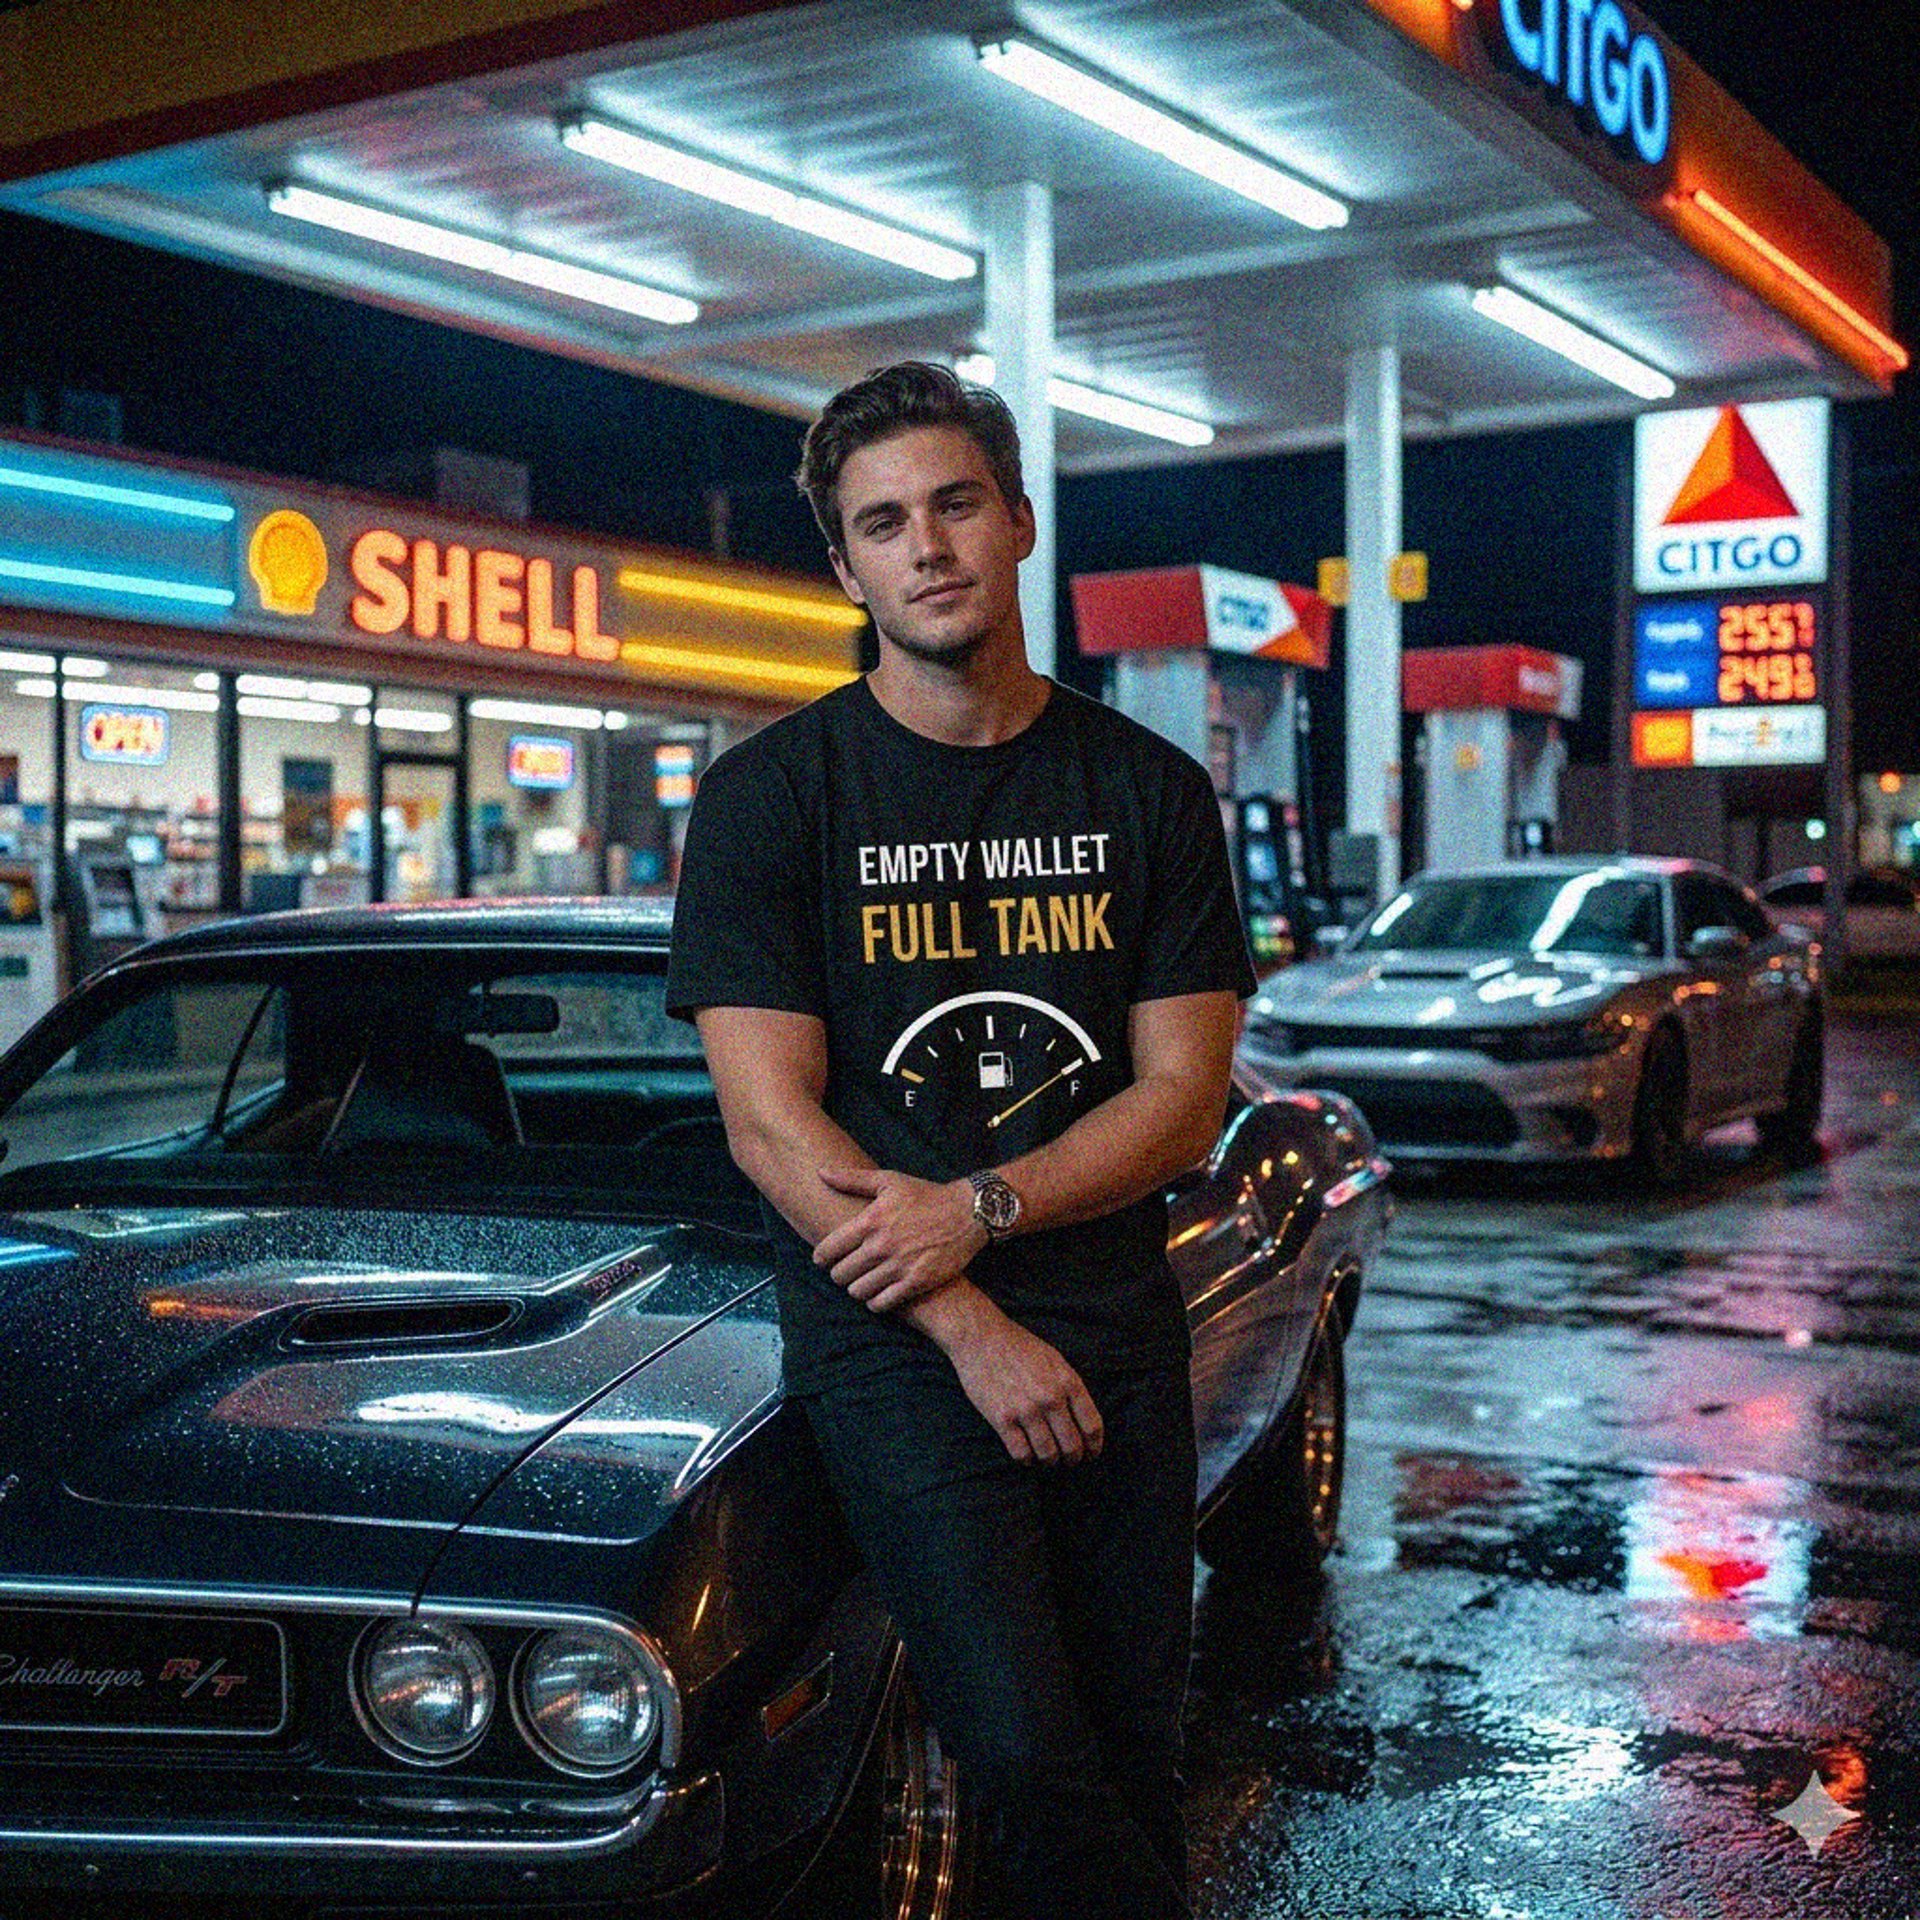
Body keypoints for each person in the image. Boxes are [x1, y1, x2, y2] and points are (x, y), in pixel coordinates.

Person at [665, 361, 1255, 1919]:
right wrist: (966, 1315)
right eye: (881, 523)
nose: (923, 546)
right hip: (891, 1340)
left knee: (1131, 1741)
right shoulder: (770, 802)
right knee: (1019, 1744)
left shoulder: (1148, 791)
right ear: (843, 568)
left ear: (1016, 523)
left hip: (1116, 1323)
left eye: (951, 505)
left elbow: (1183, 1099)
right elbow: (768, 1125)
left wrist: (981, 1209)